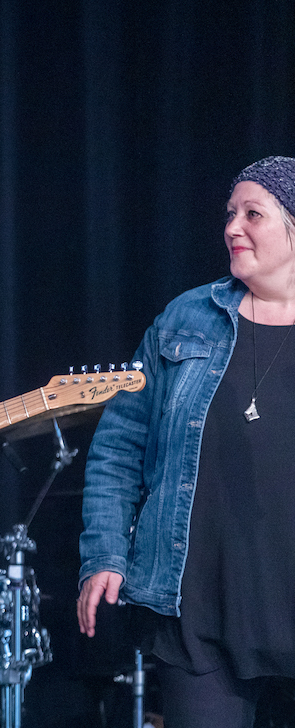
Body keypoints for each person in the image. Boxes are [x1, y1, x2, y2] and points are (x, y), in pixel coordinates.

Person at [78, 156, 295, 727]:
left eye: (253, 214)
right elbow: (118, 448)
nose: (232, 227)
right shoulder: (186, 321)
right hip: (200, 617)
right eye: (229, 214)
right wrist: (105, 552)